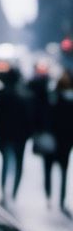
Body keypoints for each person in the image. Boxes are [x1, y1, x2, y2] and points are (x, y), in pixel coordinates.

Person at [0, 68, 34, 204]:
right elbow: (30, 117)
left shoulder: (1, 93)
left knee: (5, 163)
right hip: (20, 136)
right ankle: (14, 192)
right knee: (19, 163)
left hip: (5, 134)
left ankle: (4, 191)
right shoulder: (24, 94)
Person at [44, 68, 73, 216]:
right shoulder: (63, 98)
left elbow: (48, 116)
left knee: (50, 168)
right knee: (63, 170)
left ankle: (50, 196)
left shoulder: (54, 97)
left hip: (56, 138)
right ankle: (59, 199)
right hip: (65, 139)